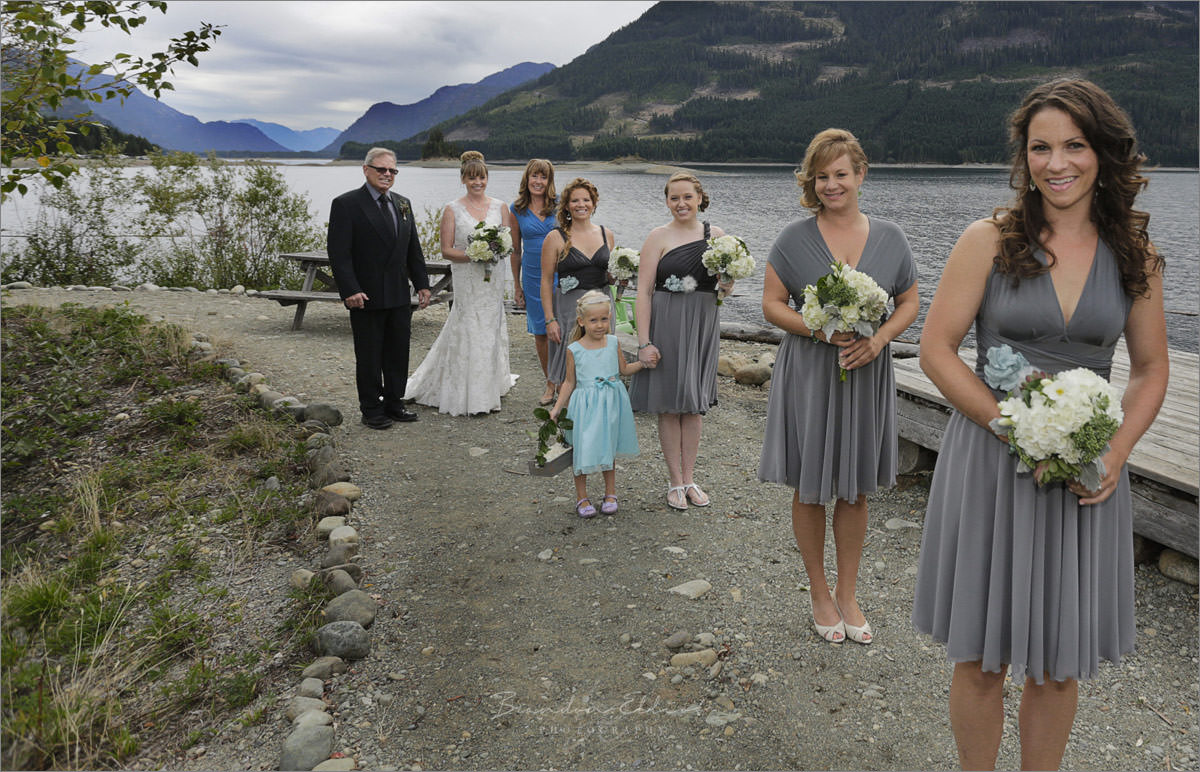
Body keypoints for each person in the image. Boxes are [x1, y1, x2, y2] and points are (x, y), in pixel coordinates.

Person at [911, 79, 1168, 770]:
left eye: (1074, 146)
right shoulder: (988, 240)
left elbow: (1150, 370)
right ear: (1023, 158)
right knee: (981, 658)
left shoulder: (1135, 255)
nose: (1057, 163)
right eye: (1040, 148)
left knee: (1058, 663)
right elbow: (937, 350)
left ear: (1103, 154)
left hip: (1084, 477)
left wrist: (1116, 453)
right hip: (992, 466)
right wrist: (1013, 427)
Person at [757, 130, 919, 644]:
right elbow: (772, 305)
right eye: (822, 176)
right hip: (810, 373)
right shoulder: (792, 238)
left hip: (865, 373)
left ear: (861, 174)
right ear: (811, 181)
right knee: (810, 487)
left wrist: (881, 339)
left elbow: (910, 302)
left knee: (854, 488)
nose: (831, 184)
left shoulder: (891, 237)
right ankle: (819, 592)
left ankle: (848, 593)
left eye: (841, 174)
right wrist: (819, 329)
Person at [628, 172, 731, 511]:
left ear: (700, 198)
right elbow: (643, 292)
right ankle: (674, 481)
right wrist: (644, 342)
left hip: (702, 323)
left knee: (694, 403)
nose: (681, 203)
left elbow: (723, 288)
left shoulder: (717, 236)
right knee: (671, 404)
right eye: (674, 198)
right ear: (667, 201)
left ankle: (690, 479)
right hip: (667, 323)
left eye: (687, 196)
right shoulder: (657, 236)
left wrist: (728, 285)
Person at [405, 150, 518, 416]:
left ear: (487, 178)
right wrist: (474, 254)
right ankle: (468, 394)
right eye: (471, 178)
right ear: (463, 179)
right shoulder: (452, 209)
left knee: (490, 326)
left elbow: (507, 242)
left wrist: (496, 251)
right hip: (467, 278)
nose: (477, 182)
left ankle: (488, 387)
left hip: (492, 280)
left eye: (481, 177)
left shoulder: (500, 206)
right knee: (468, 325)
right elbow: (446, 250)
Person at [327, 147, 432, 430]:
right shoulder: (346, 204)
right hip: (365, 295)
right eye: (381, 169)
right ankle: (372, 409)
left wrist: (422, 284)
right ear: (366, 170)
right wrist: (350, 290)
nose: (387, 174)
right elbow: (339, 253)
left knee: (398, 352)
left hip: (399, 293)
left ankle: (395, 403)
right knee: (370, 355)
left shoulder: (403, 203)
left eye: (392, 170)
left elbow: (413, 249)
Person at [549, 290, 643, 518]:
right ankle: (582, 496)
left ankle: (610, 494)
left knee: (608, 447)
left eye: (604, 319)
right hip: (585, 407)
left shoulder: (613, 343)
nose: (600, 325)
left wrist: (644, 363)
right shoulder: (574, 349)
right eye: (593, 320)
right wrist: (557, 408)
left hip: (611, 404)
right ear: (581, 321)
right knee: (581, 448)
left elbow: (624, 370)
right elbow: (569, 382)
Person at [541, 178, 617, 392]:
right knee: (571, 363)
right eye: (575, 200)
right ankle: (569, 407)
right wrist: (550, 320)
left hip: (602, 306)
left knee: (601, 360)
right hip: (569, 309)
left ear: (593, 203)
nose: (581, 205)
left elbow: (610, 275)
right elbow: (546, 280)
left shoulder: (606, 234)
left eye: (586, 200)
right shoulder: (555, 237)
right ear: (566, 205)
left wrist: (620, 276)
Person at [509, 159, 559, 406]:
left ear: (549, 181)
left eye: (543, 177)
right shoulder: (516, 209)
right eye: (534, 176)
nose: (538, 181)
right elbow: (515, 251)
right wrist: (517, 286)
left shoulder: (559, 205)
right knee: (541, 332)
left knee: (565, 328)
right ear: (527, 178)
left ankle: (568, 381)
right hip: (532, 277)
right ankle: (550, 383)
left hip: (560, 275)